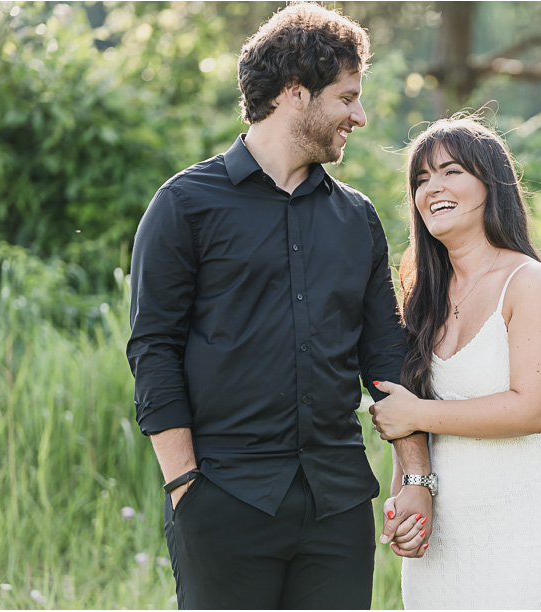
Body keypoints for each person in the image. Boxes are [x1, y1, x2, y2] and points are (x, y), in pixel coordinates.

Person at [126, 4, 432, 609]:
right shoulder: (184, 206)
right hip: (223, 495)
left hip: (337, 504)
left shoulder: (358, 219)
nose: (360, 116)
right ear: (296, 93)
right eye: (347, 97)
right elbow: (153, 348)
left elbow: (386, 355)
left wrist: (416, 475)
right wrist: (184, 483)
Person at [368, 116, 541, 609]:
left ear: (491, 185)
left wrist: (416, 415)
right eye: (421, 179)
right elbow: (409, 406)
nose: (433, 188)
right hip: (443, 543)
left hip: (530, 534)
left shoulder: (529, 282)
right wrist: (407, 493)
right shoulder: (421, 293)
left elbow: (532, 411)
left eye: (450, 171)